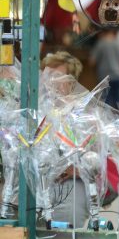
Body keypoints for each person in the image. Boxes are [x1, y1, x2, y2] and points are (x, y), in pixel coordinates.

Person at [40, 51, 89, 228]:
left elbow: (100, 158)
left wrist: (76, 168)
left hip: (70, 187)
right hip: (38, 188)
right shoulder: (36, 111)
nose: (50, 81)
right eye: (46, 75)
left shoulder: (85, 114)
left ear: (71, 81)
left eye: (57, 76)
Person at [90, 29, 119, 109]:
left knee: (105, 102)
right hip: (118, 75)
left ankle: (106, 120)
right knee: (118, 102)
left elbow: (92, 61)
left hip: (104, 77)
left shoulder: (100, 43)